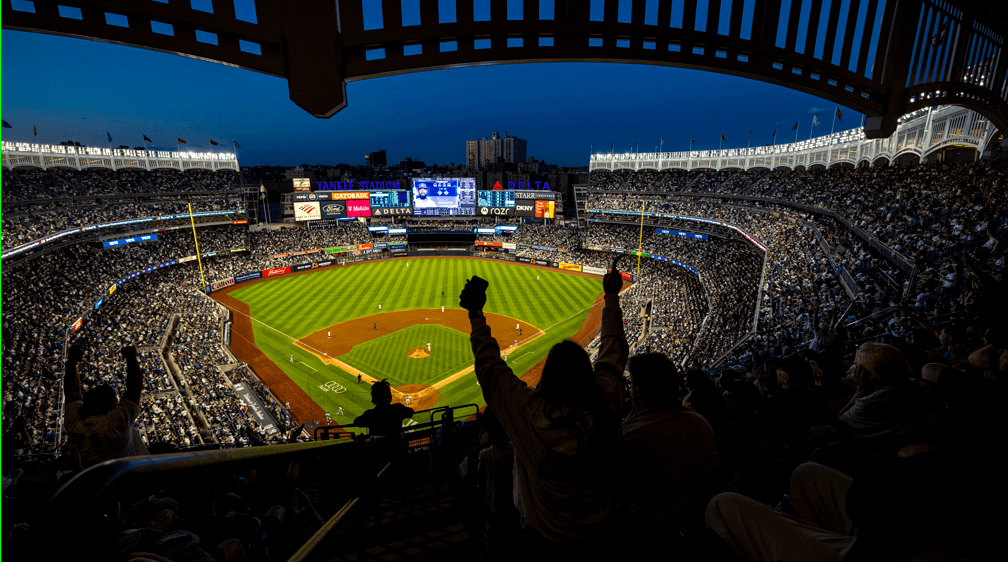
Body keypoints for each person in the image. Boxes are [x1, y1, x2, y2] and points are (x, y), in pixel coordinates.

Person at [459, 255, 628, 551]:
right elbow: (613, 352)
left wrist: (476, 314)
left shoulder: (528, 413)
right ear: (587, 375)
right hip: (605, 534)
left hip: (544, 539)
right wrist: (611, 297)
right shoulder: (607, 404)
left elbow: (491, 372)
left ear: (547, 378)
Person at [621, 353, 725, 536]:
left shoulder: (630, 433)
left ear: (638, 391)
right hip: (712, 526)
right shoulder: (698, 420)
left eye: (632, 384)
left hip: (671, 537)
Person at [64, 343, 149, 467]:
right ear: (107, 403)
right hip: (127, 477)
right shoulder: (115, 424)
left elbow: (72, 392)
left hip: (97, 480)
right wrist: (131, 358)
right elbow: (134, 388)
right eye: (115, 399)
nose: (117, 401)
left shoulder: (74, 423)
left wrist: (71, 362)